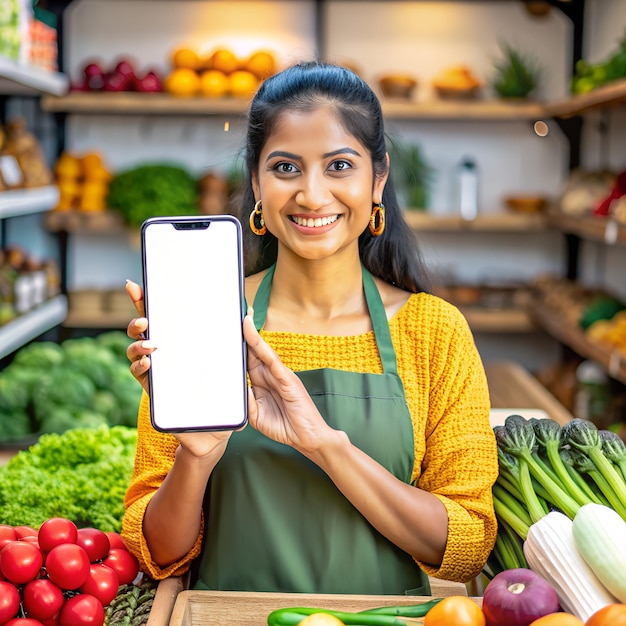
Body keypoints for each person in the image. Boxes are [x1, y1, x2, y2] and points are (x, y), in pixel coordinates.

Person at [122, 60, 498, 595]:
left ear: (378, 178)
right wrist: (195, 457)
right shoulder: (206, 321)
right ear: (255, 180)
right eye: (286, 168)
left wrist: (326, 447)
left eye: (339, 165)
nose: (312, 195)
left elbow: (464, 548)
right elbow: (158, 553)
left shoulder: (433, 332)